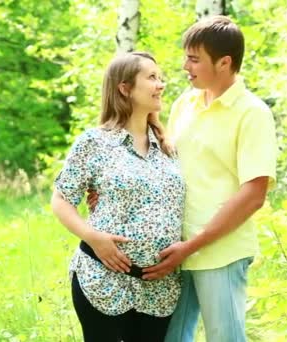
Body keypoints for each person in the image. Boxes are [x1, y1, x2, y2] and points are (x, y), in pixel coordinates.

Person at [90, 16, 278, 342]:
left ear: (224, 62)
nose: (184, 66)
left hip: (220, 252)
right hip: (173, 252)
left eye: (194, 59)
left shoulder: (253, 113)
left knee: (225, 338)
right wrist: (106, 189)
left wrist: (193, 245)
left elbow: (254, 194)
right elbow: (157, 163)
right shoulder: (184, 104)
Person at [51, 51, 186, 342]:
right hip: (102, 281)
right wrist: (94, 238)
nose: (161, 84)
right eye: (151, 77)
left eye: (160, 78)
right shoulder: (94, 143)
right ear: (125, 88)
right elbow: (61, 200)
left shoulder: (168, 148)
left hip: (158, 290)